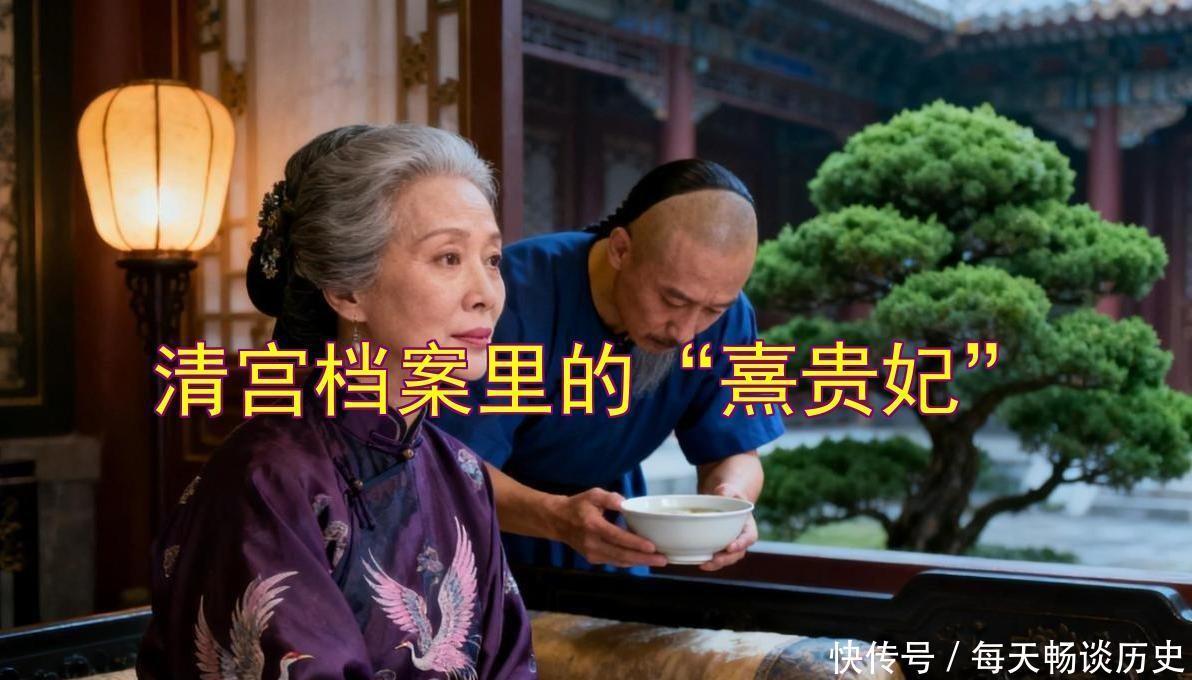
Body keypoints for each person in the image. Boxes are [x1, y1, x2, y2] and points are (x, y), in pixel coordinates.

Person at [138, 124, 537, 679]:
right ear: (348, 291)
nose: (486, 294)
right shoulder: (269, 480)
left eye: (491, 259)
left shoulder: (462, 472)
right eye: (448, 257)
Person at [437, 159, 782, 573]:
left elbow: (737, 451)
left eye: (713, 309)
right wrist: (556, 517)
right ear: (621, 249)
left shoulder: (731, 317)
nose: (686, 332)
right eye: (672, 300)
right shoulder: (510, 296)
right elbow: (446, 464)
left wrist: (732, 502)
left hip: (614, 521)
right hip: (486, 524)